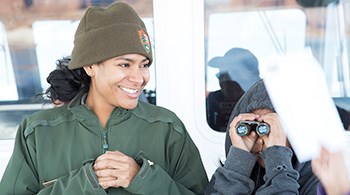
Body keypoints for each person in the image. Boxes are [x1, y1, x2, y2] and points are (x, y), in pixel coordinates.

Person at [0, 2, 208, 194]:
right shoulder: (37, 132)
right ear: (90, 66)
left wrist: (143, 178)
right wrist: (85, 183)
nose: (139, 78)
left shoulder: (167, 128)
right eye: (124, 64)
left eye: (144, 65)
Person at [205, 79, 319, 194]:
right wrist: (238, 162)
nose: (260, 141)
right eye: (255, 127)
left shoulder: (324, 184)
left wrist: (277, 158)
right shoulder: (227, 176)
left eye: (271, 129)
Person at [206, 48, 260, 132]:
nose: (223, 81)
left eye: (232, 73)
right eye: (220, 75)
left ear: (251, 75)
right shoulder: (213, 101)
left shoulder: (265, 100)